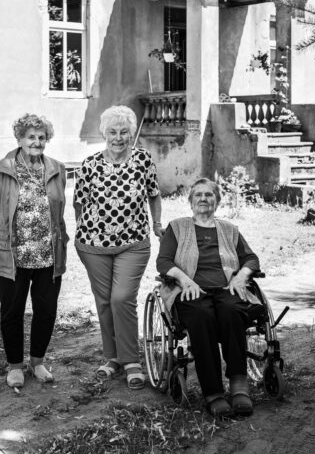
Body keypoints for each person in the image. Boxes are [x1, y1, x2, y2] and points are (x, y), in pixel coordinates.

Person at [73, 105, 164, 389]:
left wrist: (157, 223)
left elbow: (154, 195)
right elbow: (78, 203)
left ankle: (131, 360)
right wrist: (85, 231)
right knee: (103, 302)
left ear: (131, 133)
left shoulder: (143, 160)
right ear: (104, 134)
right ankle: (112, 359)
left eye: (124, 131)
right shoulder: (88, 164)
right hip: (93, 246)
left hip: (133, 243)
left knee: (121, 298)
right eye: (112, 131)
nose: (118, 137)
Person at [157, 178, 261, 417]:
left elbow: (251, 259)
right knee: (202, 317)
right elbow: (163, 261)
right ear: (191, 201)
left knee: (233, 312)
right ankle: (213, 392)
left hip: (226, 290)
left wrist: (240, 277)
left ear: (217, 200)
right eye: (198, 195)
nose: (203, 199)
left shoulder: (229, 229)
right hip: (190, 291)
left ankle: (238, 385)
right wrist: (185, 280)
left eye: (209, 195)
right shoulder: (177, 227)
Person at [0, 113, 68, 389]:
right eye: (31, 137)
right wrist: (0, 234)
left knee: (46, 311)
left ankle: (38, 362)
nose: (36, 142)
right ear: (19, 139)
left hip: (48, 255)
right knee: (12, 312)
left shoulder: (57, 168)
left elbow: (58, 208)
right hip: (13, 256)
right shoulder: (4, 167)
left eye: (41, 137)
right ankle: (16, 366)